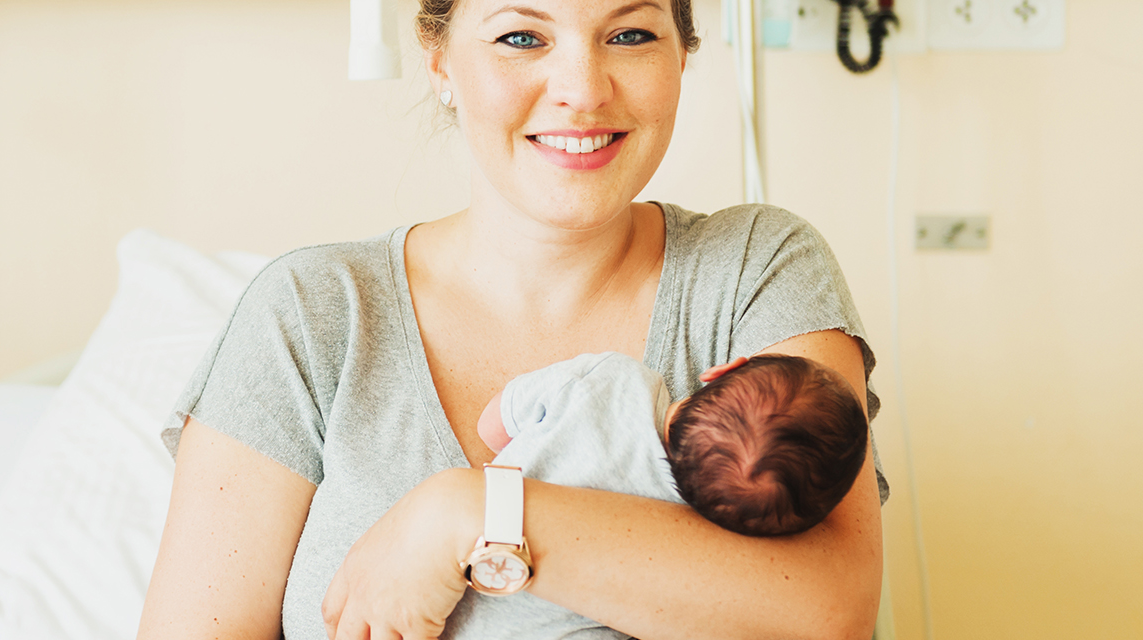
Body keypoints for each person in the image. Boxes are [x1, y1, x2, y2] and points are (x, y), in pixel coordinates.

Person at [138, 0, 889, 638]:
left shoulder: (757, 268)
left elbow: (833, 609)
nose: (584, 91)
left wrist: (469, 513)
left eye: (630, 34)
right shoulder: (310, 314)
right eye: (521, 36)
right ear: (439, 63)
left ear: (683, 56)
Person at [447, 352, 871, 640]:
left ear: (721, 371)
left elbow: (493, 425)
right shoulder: (688, 540)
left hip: (452, 600)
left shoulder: (612, 379)